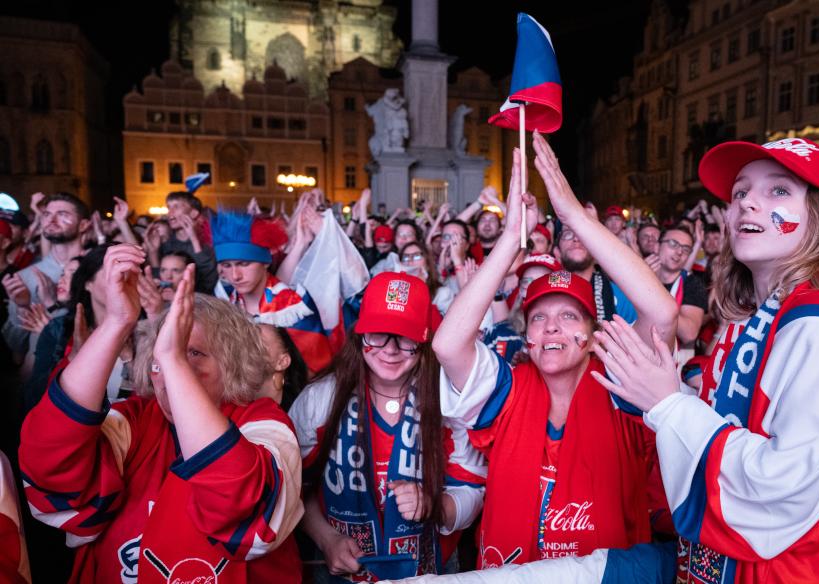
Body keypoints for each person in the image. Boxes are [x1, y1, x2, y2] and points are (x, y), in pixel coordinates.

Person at [592, 137, 819, 582]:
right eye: (741, 193)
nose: (748, 204)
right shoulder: (749, 318)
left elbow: (787, 484)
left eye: (778, 191)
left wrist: (670, 404)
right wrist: (657, 390)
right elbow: (728, 423)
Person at [434, 136, 677, 568]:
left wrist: (574, 220)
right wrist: (510, 239)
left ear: (591, 331)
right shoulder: (505, 388)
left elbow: (660, 313)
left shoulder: (621, 385)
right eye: (540, 317)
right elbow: (448, 344)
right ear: (526, 335)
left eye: (569, 317)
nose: (551, 327)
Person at [19, 247, 304, 583]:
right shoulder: (138, 418)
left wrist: (173, 358)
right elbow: (49, 465)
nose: (169, 371)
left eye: (193, 353)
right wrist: (116, 322)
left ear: (232, 364)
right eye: (162, 355)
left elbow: (241, 508)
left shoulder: (263, 423)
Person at [289, 272, 485, 582]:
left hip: (430, 572)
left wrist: (436, 506)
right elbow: (293, 487)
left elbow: (473, 490)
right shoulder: (320, 400)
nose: (390, 349)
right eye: (377, 334)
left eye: (405, 337)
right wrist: (327, 540)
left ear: (424, 341)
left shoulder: (450, 402)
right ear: (359, 335)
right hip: (340, 570)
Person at [212, 211, 332, 374]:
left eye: (244, 264)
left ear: (265, 263)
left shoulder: (294, 307)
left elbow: (317, 370)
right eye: (226, 265)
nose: (235, 276)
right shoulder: (224, 300)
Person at [3, 193, 90, 364]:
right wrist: (21, 308)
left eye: (63, 214)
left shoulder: (96, 270)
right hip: (38, 379)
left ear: (84, 224)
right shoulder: (25, 276)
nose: (51, 220)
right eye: (47, 214)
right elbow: (16, 348)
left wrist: (54, 306)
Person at [654, 226, 708, 345]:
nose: (679, 252)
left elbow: (689, 334)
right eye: (673, 244)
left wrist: (651, 291)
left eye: (686, 249)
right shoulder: (639, 273)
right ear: (657, 246)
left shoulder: (693, 284)